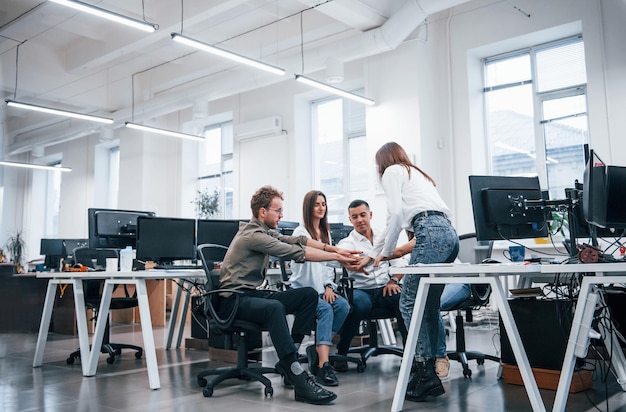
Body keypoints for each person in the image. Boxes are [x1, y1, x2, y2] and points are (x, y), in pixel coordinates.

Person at [218, 185, 360, 405]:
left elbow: (296, 241)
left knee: (308, 295)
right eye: (278, 210)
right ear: (262, 212)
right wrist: (339, 259)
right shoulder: (253, 235)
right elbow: (294, 252)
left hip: (250, 295)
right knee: (274, 307)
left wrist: (334, 250)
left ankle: (288, 357)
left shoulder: (263, 230)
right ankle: (295, 372)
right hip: (232, 301)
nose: (282, 215)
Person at [361, 142, 459, 402]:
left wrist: (388, 253)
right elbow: (391, 223)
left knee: (409, 303)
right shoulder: (417, 174)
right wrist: (373, 255)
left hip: (429, 231)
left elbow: (393, 215)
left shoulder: (392, 171)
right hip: (449, 234)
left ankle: (424, 372)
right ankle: (428, 375)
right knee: (426, 305)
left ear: (383, 161)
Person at [333, 199, 408, 371]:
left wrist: (393, 280)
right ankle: (341, 353)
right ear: (350, 220)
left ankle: (410, 353)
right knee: (360, 304)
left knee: (402, 299)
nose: (359, 220)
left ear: (370, 215)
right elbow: (349, 260)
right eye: (354, 217)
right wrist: (355, 261)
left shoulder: (384, 238)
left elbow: (400, 263)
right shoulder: (347, 243)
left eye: (362, 215)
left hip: (384, 287)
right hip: (361, 290)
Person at [289, 190, 350, 386]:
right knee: (324, 309)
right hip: (304, 291)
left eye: (324, 204)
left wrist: (329, 287)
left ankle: (317, 348)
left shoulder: (326, 234)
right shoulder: (300, 233)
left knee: (343, 306)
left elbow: (327, 267)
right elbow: (316, 257)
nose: (321, 207)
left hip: (321, 289)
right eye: (317, 204)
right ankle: (324, 365)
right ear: (308, 207)